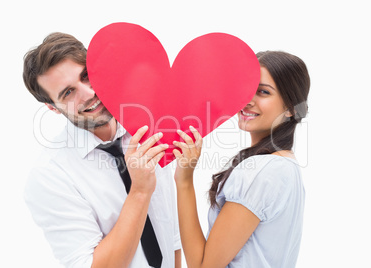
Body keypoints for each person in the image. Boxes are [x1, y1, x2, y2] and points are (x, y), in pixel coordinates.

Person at [23, 32, 181, 268]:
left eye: (86, 76)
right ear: (53, 108)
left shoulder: (148, 129)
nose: (89, 94)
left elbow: (171, 234)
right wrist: (139, 191)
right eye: (68, 92)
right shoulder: (50, 176)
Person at [172, 51, 310, 267]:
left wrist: (185, 180)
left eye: (263, 92)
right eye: (246, 89)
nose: (248, 100)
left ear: (291, 108)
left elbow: (202, 266)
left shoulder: (260, 171)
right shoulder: (286, 166)